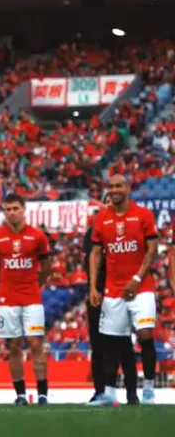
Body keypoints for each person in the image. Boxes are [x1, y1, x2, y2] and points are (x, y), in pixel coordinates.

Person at [88, 174, 159, 406]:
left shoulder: (143, 215)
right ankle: (109, 393)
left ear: (128, 188)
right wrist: (93, 287)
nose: (115, 189)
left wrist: (137, 279)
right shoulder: (102, 219)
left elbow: (152, 249)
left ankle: (148, 389)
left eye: (119, 185)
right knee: (112, 341)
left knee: (145, 334)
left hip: (142, 287)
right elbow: (95, 254)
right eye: (111, 186)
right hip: (113, 290)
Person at [0, 194, 51, 406]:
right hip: (8, 299)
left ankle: (42, 395)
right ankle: (21, 395)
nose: (12, 213)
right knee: (14, 345)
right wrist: (5, 281)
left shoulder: (37, 236)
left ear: (24, 209)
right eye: (8, 209)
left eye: (15, 208)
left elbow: (46, 266)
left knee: (35, 343)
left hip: (31, 297)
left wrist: (35, 285)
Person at [83, 197, 138, 404]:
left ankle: (131, 393)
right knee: (98, 344)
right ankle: (100, 391)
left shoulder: (129, 229)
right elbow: (90, 263)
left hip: (121, 293)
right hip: (99, 294)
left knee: (123, 343)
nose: (110, 205)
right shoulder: (93, 231)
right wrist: (93, 289)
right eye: (106, 202)